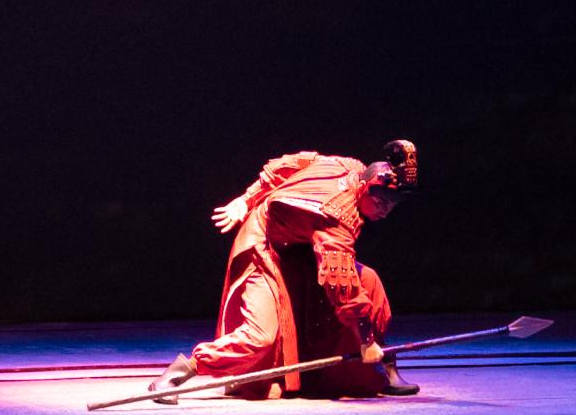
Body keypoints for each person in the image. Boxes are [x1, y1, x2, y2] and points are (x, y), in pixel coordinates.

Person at [148, 140, 421, 400]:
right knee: (261, 337)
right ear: (363, 188)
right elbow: (343, 287)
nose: (385, 212)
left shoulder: (350, 166)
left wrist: (246, 199)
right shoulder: (337, 216)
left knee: (370, 281)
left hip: (299, 248)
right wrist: (366, 341)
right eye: (381, 203)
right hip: (264, 246)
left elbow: (293, 164)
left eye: (392, 206)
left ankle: (383, 368)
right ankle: (181, 372)